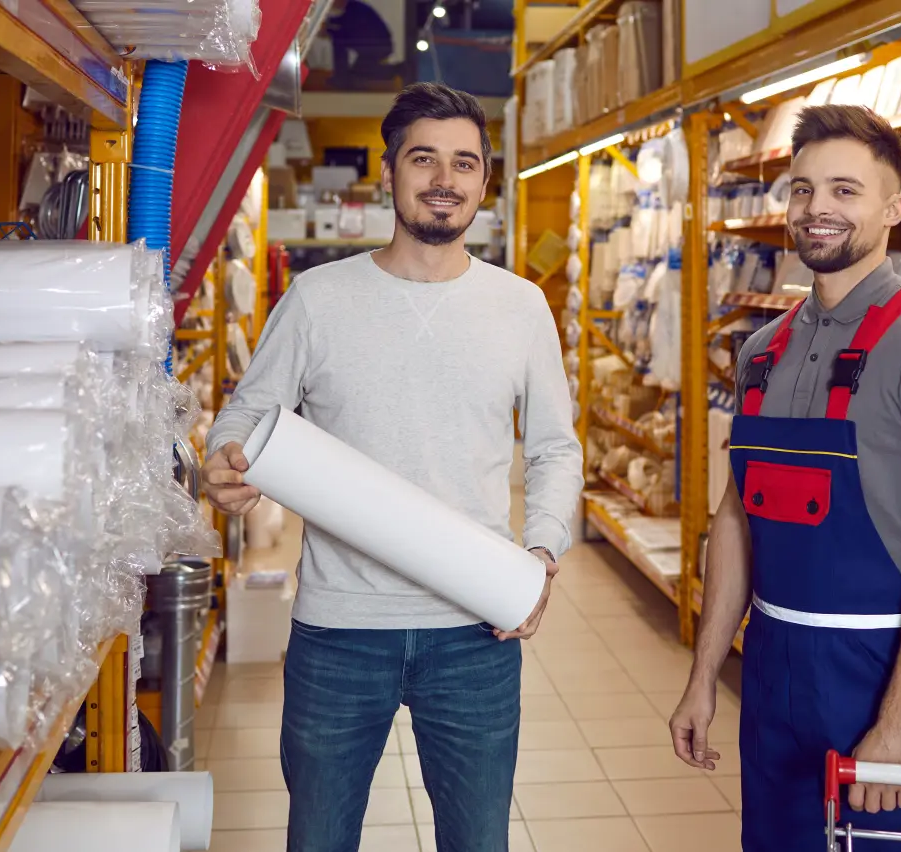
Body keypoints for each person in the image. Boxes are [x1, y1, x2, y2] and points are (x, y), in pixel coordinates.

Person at [200, 83, 583, 852]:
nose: (445, 178)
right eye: (424, 158)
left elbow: (554, 448)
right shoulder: (317, 299)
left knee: (477, 842)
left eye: (464, 164)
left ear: (484, 183)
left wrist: (540, 554)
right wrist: (226, 461)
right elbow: (245, 416)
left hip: (475, 629)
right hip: (339, 631)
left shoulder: (521, 307)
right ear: (390, 174)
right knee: (318, 838)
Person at [668, 104, 901, 850]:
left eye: (846, 191)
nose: (818, 209)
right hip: (774, 675)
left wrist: (899, 722)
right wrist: (702, 677)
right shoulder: (760, 353)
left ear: (894, 208)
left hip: (881, 673)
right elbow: (736, 522)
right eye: (803, 188)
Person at [325, 0, 394, 88]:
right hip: (372, 47)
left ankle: (340, 78)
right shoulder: (354, 8)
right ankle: (341, 78)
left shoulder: (355, 9)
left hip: (376, 47)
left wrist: (328, 30)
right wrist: (328, 26)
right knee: (359, 72)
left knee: (339, 41)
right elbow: (344, 24)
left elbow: (346, 29)